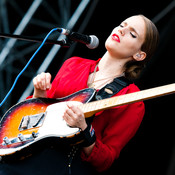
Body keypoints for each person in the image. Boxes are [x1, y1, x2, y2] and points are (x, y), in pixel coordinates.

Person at [0, 14, 159, 175]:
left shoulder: (132, 98)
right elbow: (36, 115)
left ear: (139, 55)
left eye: (132, 33)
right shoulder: (73, 64)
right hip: (19, 159)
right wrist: (39, 92)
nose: (122, 30)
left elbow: (106, 160)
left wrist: (84, 129)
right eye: (122, 24)